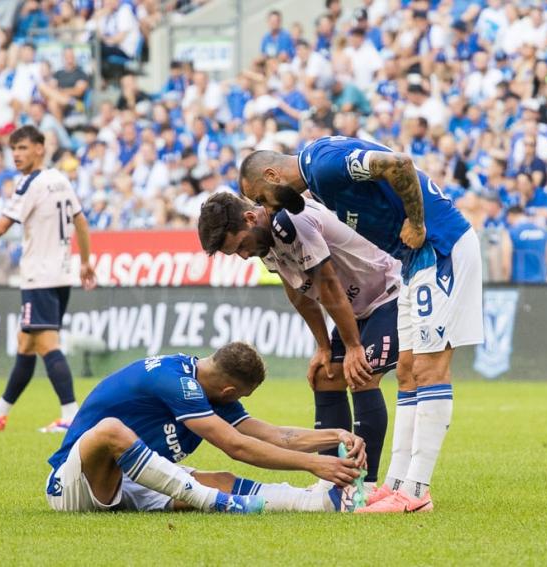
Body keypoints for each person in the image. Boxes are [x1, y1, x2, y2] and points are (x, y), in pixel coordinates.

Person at [238, 136, 484, 513]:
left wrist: (417, 223)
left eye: (260, 197)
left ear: (272, 175)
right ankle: (395, 485)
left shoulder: (322, 164)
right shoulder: (317, 178)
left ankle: (416, 492)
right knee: (406, 371)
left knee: (429, 369)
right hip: (413, 261)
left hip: (440, 246)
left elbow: (398, 163)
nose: (263, 207)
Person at [198, 191, 402, 490]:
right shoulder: (264, 243)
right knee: (325, 375)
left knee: (361, 374)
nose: (243, 255)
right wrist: (322, 346)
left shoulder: (290, 222)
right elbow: (298, 294)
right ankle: (335, 481)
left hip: (389, 292)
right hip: (357, 309)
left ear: (251, 217)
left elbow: (329, 285)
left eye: (241, 245)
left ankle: (364, 486)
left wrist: (354, 347)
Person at [45, 344, 367, 513]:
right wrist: (314, 463)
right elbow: (236, 446)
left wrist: (336, 435)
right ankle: (211, 501)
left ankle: (318, 501)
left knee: (223, 481)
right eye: (241, 396)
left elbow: (272, 435)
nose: (238, 403)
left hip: (128, 480)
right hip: (74, 484)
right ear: (229, 391)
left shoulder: (207, 385)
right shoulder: (177, 383)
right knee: (111, 430)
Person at [0, 125, 98, 433]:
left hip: (39, 277)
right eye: (13, 149)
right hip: (61, 275)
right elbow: (81, 220)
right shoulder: (60, 179)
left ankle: (70, 414)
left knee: (46, 344)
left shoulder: (31, 184)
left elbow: (1, 226)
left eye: (23, 148)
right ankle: (0, 411)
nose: (16, 154)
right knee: (26, 343)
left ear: (40, 148)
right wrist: (85, 262)